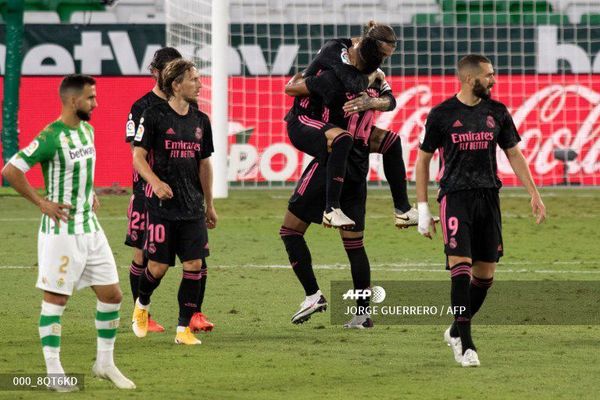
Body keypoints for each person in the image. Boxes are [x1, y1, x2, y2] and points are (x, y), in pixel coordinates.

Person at [2, 75, 135, 390]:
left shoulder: (87, 130)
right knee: (56, 300)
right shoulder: (51, 136)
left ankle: (104, 363)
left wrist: (88, 193)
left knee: (112, 295)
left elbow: (79, 172)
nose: (96, 103)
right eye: (91, 98)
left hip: (90, 227)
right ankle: (53, 372)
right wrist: (40, 202)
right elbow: (11, 169)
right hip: (61, 232)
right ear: (73, 101)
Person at [415, 54, 546, 367]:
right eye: (489, 75)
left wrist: (534, 193)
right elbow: (423, 160)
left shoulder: (497, 112)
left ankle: (455, 329)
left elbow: (514, 154)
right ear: (469, 78)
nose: (494, 80)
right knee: (460, 270)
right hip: (454, 198)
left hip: (488, 197)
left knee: (484, 277)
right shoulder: (442, 114)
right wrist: (422, 208)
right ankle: (467, 345)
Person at [282, 68, 395, 327]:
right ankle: (363, 314)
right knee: (355, 246)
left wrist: (308, 75)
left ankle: (313, 295)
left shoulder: (329, 82)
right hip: (358, 165)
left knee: (290, 231)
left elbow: (293, 88)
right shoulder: (374, 81)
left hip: (332, 163)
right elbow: (390, 101)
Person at [125, 47, 214, 334]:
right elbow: (138, 154)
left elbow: (202, 160)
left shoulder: (197, 113)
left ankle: (193, 315)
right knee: (147, 258)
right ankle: (142, 313)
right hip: (149, 196)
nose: (199, 84)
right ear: (167, 76)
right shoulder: (145, 110)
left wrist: (207, 201)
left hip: (189, 200)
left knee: (196, 258)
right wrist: (154, 184)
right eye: (194, 78)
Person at [284, 21, 396, 229]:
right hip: (303, 119)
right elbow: (291, 88)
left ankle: (402, 208)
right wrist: (374, 77)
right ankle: (330, 208)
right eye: (382, 55)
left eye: (386, 58)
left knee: (390, 142)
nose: (382, 61)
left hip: (332, 130)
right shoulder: (335, 60)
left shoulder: (357, 71)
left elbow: (391, 101)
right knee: (342, 140)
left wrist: (372, 99)